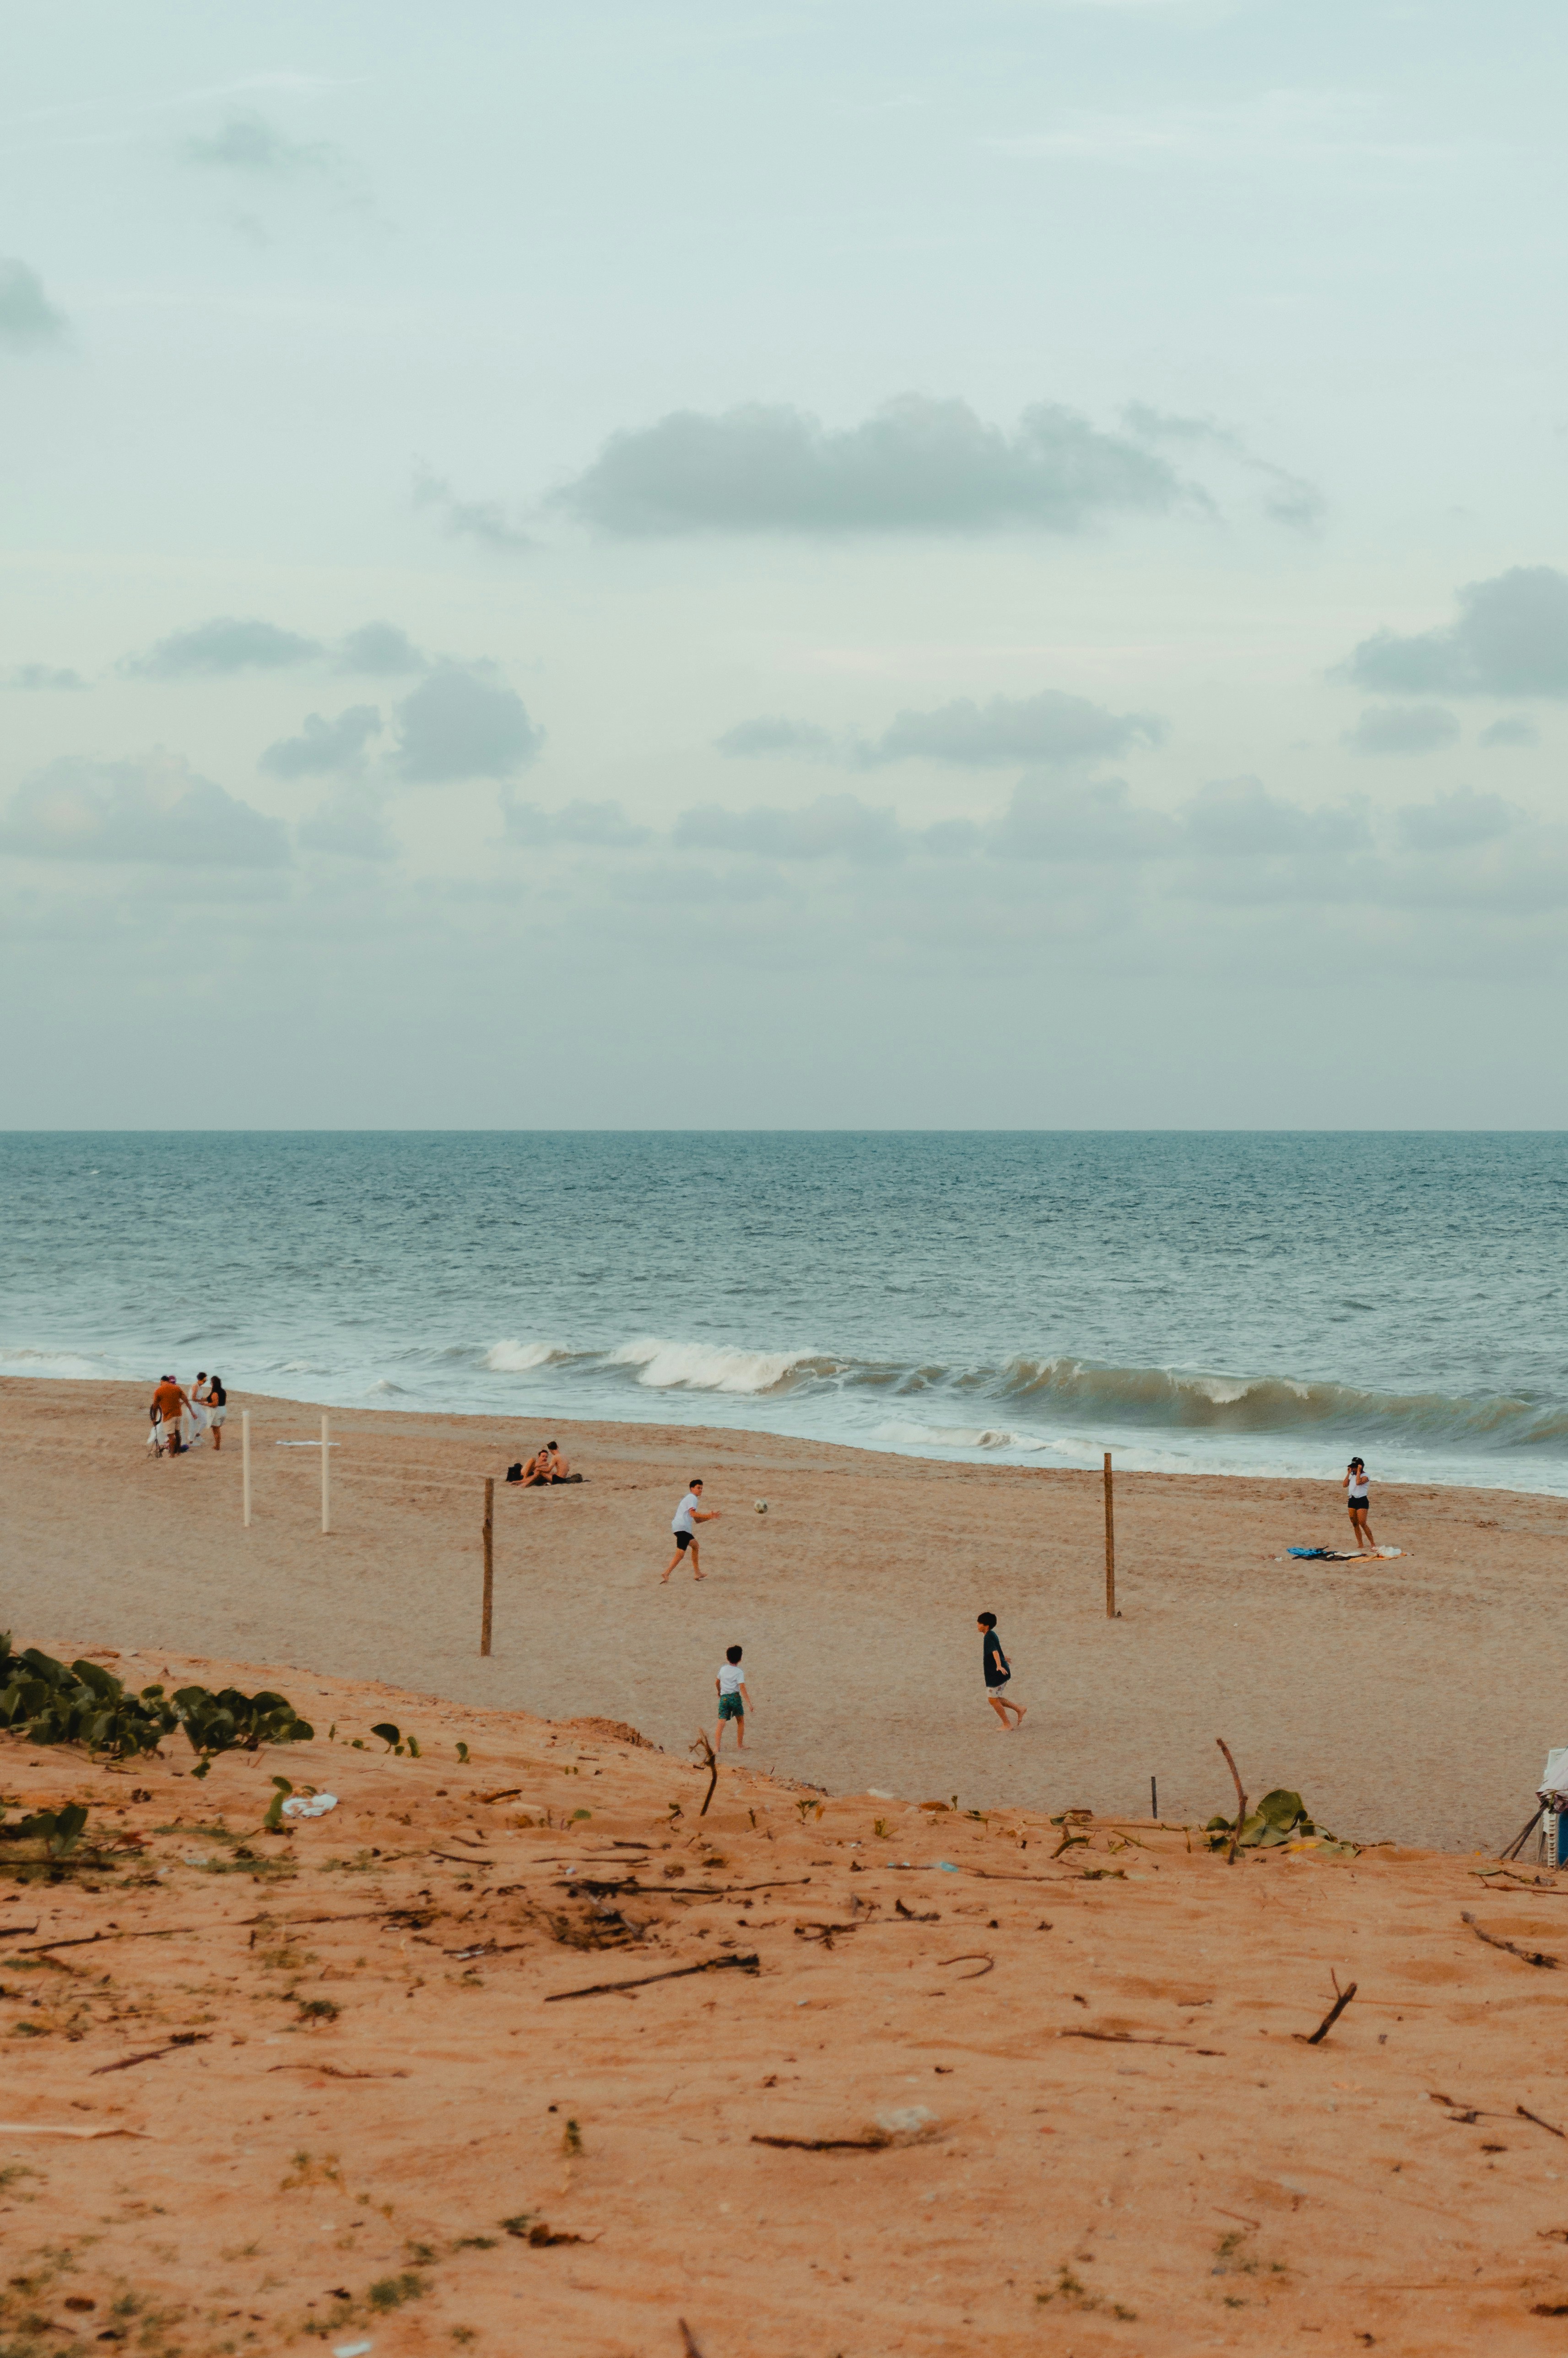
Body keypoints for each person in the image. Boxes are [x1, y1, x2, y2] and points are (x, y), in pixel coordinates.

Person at [661, 1479, 719, 1583]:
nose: (701, 1490)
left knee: (695, 1547)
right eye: (698, 1488)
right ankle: (667, 1573)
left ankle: (696, 1573)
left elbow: (697, 1520)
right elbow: (693, 1514)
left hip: (680, 1528)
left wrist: (710, 1518)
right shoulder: (692, 1498)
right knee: (681, 1554)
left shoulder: (691, 1498)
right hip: (682, 1527)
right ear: (692, 1489)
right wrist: (709, 1515)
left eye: (702, 1488)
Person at [978, 1611, 1025, 1731]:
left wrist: (999, 1665)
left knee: (992, 1699)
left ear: (986, 1626)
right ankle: (1019, 1709)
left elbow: (994, 1651)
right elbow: (998, 1649)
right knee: (996, 1698)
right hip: (1001, 1672)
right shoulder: (992, 1634)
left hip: (997, 1674)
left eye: (980, 1623)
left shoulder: (988, 1638)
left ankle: (1007, 1724)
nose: (978, 1625)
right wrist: (1003, 1659)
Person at [714, 1644, 750, 1750]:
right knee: (740, 1721)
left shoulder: (723, 1669)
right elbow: (742, 1688)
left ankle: (717, 1747)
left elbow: (717, 1682)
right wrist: (749, 1703)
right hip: (735, 1698)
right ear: (740, 1659)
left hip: (724, 1698)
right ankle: (740, 1745)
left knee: (721, 1723)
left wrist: (719, 1692)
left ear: (727, 1657)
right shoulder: (739, 1672)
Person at [1342, 1457, 1378, 1554]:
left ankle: (1373, 1544)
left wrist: (1358, 1471)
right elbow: (1345, 1485)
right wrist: (1348, 1473)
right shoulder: (1352, 1476)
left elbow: (1359, 1483)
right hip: (1352, 1500)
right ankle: (1360, 1544)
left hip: (1362, 1500)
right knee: (1355, 1523)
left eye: (1355, 1467)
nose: (1353, 1469)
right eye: (1352, 1467)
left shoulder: (1366, 1476)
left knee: (1363, 1522)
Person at [151, 1374, 190, 1457]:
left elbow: (155, 1406)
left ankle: (172, 1454)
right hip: (179, 1414)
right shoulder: (177, 1388)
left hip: (169, 1415)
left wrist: (154, 1419)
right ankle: (179, 1452)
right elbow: (185, 1399)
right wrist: (191, 1410)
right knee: (178, 1433)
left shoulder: (159, 1390)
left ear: (162, 1381)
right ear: (169, 1381)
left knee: (171, 1436)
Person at [207, 1374, 228, 1451]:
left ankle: (217, 1446)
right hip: (223, 1410)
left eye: (211, 1383)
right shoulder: (223, 1391)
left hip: (217, 1412)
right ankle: (217, 1445)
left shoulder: (215, 1393)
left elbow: (215, 1404)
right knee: (217, 1429)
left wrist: (206, 1404)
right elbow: (210, 1399)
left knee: (216, 1429)